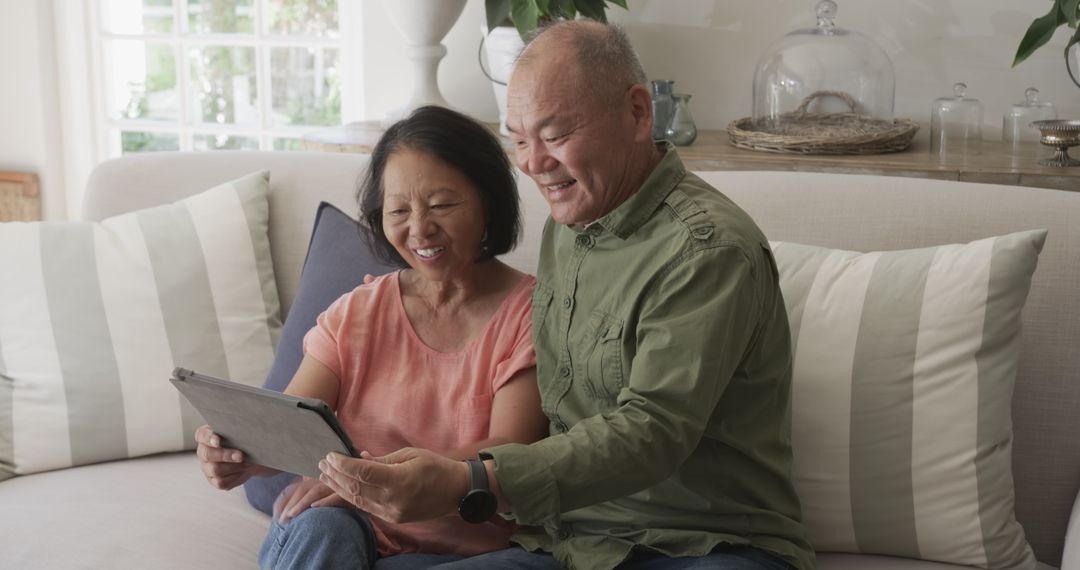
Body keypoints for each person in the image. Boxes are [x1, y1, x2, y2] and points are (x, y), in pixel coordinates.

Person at [317, 20, 815, 570]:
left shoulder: (708, 250)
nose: (533, 162)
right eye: (520, 139)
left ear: (637, 114)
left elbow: (652, 430)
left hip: (706, 545)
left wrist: (470, 478)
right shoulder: (570, 224)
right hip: (572, 546)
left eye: (554, 136)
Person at [194, 105, 550, 568]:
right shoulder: (357, 313)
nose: (419, 228)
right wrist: (235, 453)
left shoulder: (530, 314)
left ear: (489, 202)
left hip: (468, 553)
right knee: (321, 527)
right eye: (399, 209)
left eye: (441, 204)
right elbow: (290, 428)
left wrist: (359, 483)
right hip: (351, 535)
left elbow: (508, 452)